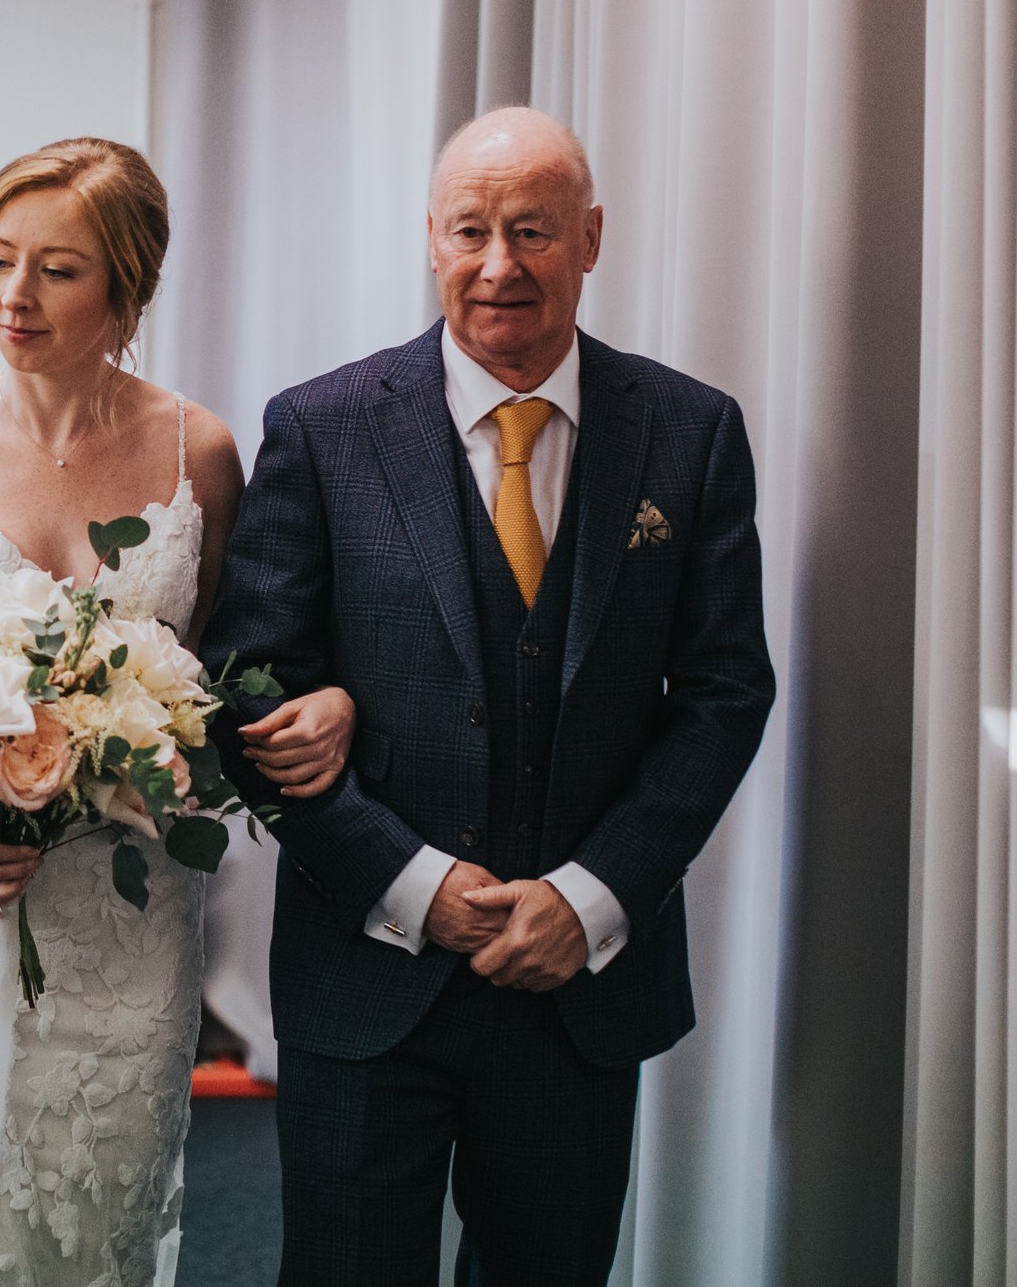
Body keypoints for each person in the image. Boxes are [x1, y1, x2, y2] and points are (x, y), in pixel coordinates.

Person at [202, 107, 776, 1284]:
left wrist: (589, 894)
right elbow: (243, 697)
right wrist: (415, 882)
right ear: (430, 238)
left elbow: (723, 691)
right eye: (471, 229)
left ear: (592, 238)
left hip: (576, 985)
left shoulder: (689, 431)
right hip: (367, 974)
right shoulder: (319, 428)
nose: (499, 263)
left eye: (533, 230)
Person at [0, 138, 358, 1285]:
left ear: (127, 282)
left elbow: (221, 676)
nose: (12, 296)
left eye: (56, 270)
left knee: (93, 1219)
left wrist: (180, 740)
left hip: (125, 913)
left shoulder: (198, 451)